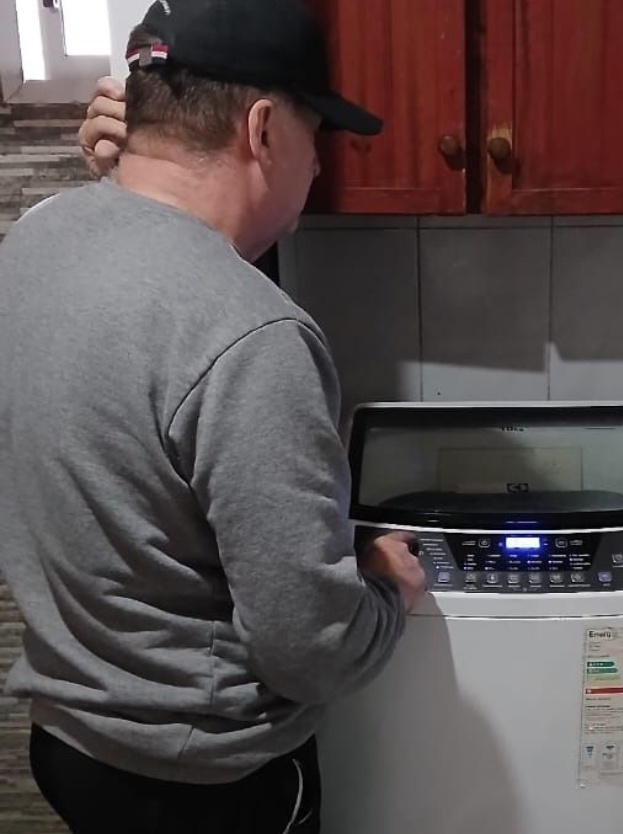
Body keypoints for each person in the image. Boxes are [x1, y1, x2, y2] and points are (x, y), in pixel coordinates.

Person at [0, 1, 426, 833]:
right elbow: (309, 648)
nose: (317, 167)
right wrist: (388, 590)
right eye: (318, 136)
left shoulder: (34, 242)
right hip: (204, 785)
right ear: (264, 129)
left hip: (69, 749)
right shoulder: (251, 332)